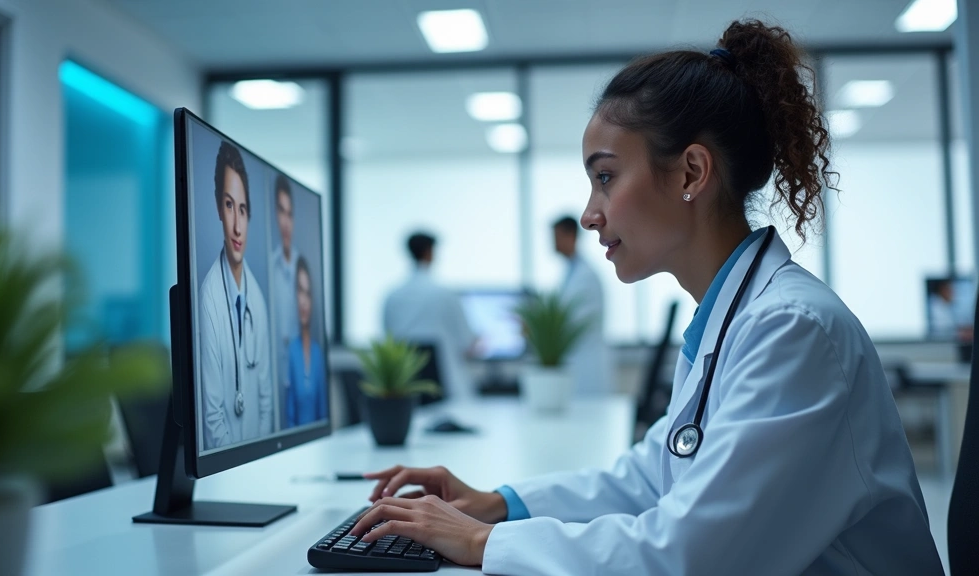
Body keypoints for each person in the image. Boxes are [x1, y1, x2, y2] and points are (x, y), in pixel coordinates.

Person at [349, 20, 944, 574]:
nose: (589, 214)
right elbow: (650, 477)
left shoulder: (791, 329)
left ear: (690, 173)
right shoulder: (733, 320)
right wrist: (496, 504)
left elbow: (688, 557)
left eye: (605, 177)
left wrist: (480, 542)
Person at [198, 141, 272, 449]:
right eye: (229, 206)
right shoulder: (209, 299)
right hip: (228, 471)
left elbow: (266, 401)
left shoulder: (257, 298)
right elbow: (212, 417)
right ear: (218, 208)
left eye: (243, 209)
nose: (237, 226)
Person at [383, 232, 476, 400]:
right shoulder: (445, 294)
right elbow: (466, 343)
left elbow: (388, 340)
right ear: (429, 253)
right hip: (448, 389)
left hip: (406, 391)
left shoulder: (392, 297)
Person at [552, 215, 613, 394]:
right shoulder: (571, 273)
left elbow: (568, 323)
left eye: (556, 237)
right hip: (578, 362)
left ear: (571, 236)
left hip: (586, 363)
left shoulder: (585, 277)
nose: (553, 243)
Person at [271, 173, 299, 426]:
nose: (286, 222)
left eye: (290, 213)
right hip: (275, 383)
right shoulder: (269, 271)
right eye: (281, 212)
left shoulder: (305, 272)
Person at [286, 256, 328, 426]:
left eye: (308, 294)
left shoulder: (317, 352)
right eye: (300, 291)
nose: (304, 302)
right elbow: (289, 416)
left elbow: (323, 413)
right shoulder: (291, 351)